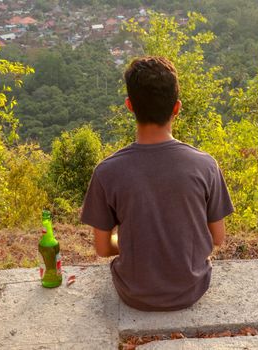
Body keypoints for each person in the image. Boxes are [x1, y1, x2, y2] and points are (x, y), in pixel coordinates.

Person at [80, 56, 234, 311]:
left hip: (133, 294)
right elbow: (217, 238)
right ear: (177, 108)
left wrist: (134, 241)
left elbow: (103, 248)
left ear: (130, 106)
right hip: (191, 290)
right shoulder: (205, 166)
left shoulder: (107, 172)